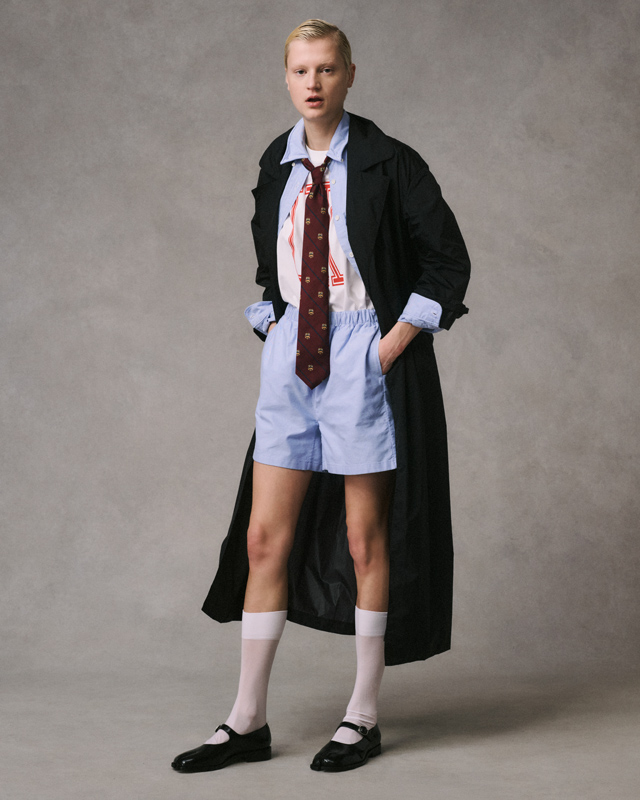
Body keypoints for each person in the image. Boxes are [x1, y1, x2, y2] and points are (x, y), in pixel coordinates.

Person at [172, 19, 470, 774]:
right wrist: (272, 323)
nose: (313, 83)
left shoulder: (390, 162)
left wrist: (388, 346)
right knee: (262, 539)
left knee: (366, 539)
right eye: (301, 70)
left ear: (350, 75)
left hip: (362, 353)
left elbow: (447, 262)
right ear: (286, 77)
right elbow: (271, 264)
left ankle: (361, 716)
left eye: (327, 69)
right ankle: (247, 721)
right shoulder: (275, 164)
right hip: (292, 358)